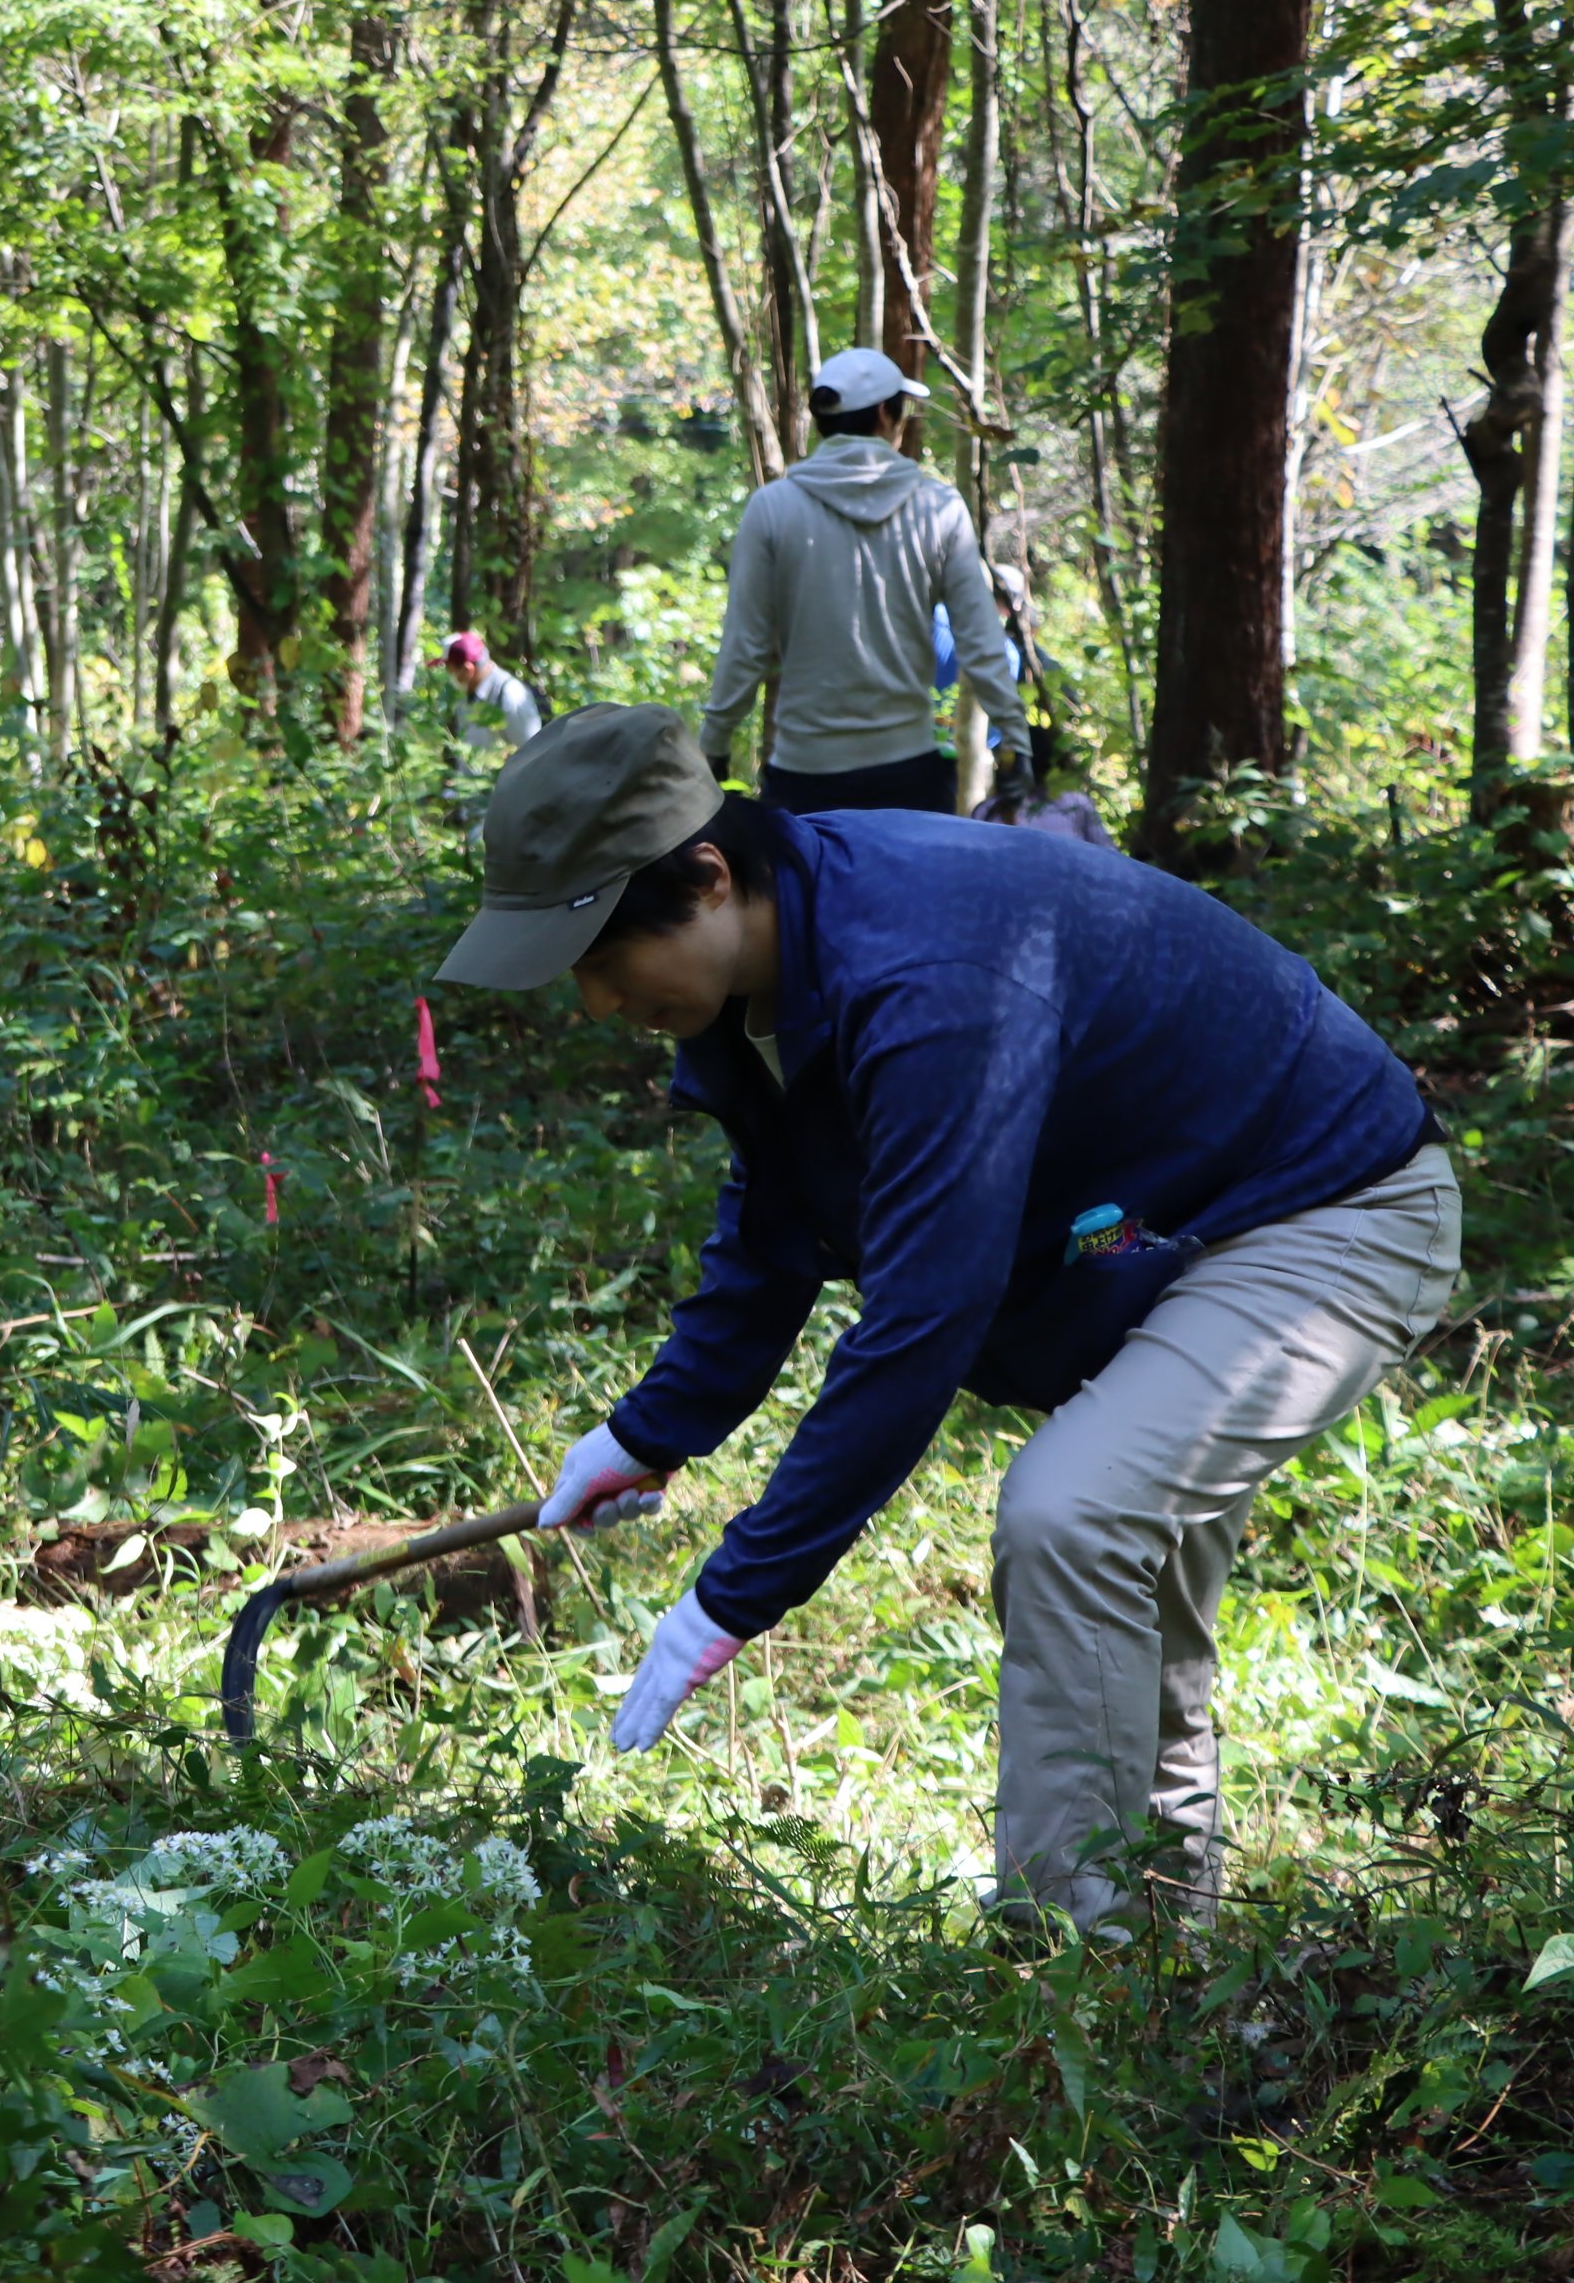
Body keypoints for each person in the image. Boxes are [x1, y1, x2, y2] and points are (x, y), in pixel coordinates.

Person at [439, 705, 1455, 1933]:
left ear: (706, 876)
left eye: (603, 957)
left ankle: (1063, 1972)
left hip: (1317, 1208)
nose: (599, 1001)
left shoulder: (927, 975)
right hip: (1139, 1225)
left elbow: (924, 1312)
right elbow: (777, 1224)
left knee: (1072, 1515)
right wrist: (650, 1431)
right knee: (1121, 1594)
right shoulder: (763, 972)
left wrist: (734, 1594)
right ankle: (1165, 1973)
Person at [694, 349, 1030, 815]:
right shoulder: (938, 507)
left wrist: (713, 743)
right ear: (882, 413)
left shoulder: (772, 508)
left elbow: (745, 646)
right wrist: (1016, 738)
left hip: (802, 777)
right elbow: (981, 638)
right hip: (908, 774)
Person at [444, 631, 545, 750]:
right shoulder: (465, 697)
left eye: (450, 669)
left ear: (468, 670)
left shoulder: (510, 693)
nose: (449, 675)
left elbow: (531, 751)